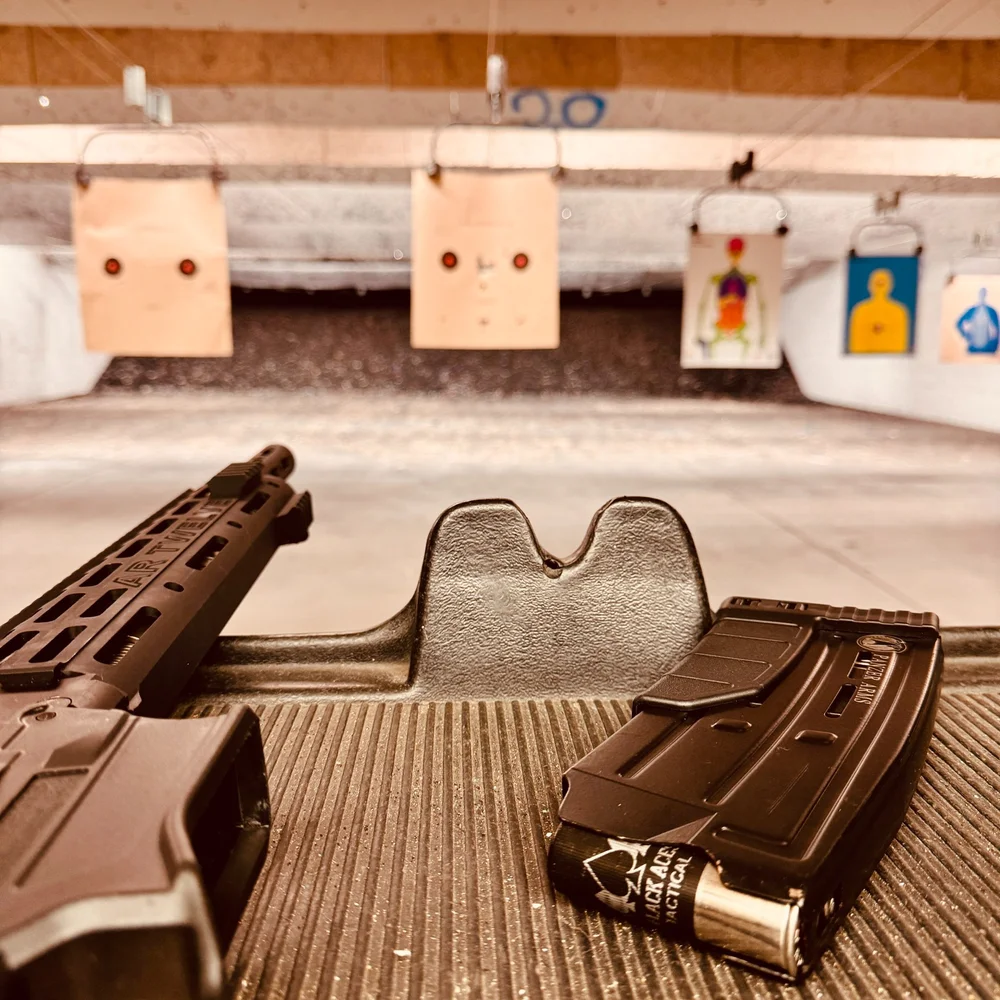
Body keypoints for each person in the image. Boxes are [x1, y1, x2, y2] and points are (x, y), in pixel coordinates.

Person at [848, 268, 910, 353]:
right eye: (877, 282)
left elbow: (900, 344)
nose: (880, 285)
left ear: (890, 285)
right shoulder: (860, 310)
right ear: (869, 285)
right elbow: (856, 343)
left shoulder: (899, 311)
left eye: (883, 282)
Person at [955, 286, 999, 354]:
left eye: (984, 294)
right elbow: (959, 323)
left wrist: (993, 341)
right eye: (981, 294)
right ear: (978, 295)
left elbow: (997, 329)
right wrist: (966, 335)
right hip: (974, 348)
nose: (982, 296)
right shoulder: (972, 310)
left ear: (986, 295)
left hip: (987, 349)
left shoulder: (991, 311)